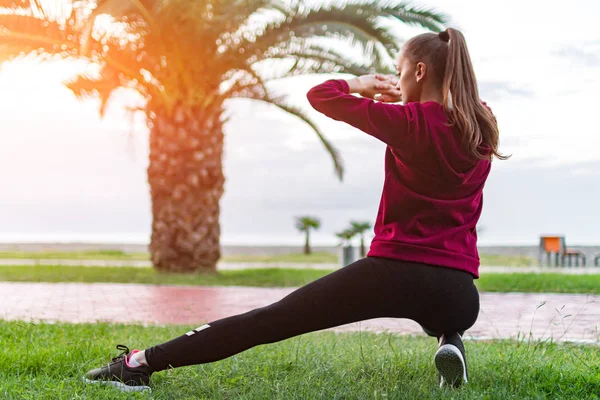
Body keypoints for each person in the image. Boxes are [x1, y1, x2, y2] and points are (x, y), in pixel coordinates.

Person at [84, 27, 507, 392]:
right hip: (458, 294)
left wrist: (362, 84)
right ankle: (451, 340)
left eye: (399, 72)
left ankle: (138, 364)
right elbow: (461, 106)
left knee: (271, 320)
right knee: (442, 318)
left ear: (419, 72)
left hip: (392, 272)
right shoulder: (481, 126)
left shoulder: (410, 123)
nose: (396, 81)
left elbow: (322, 95)